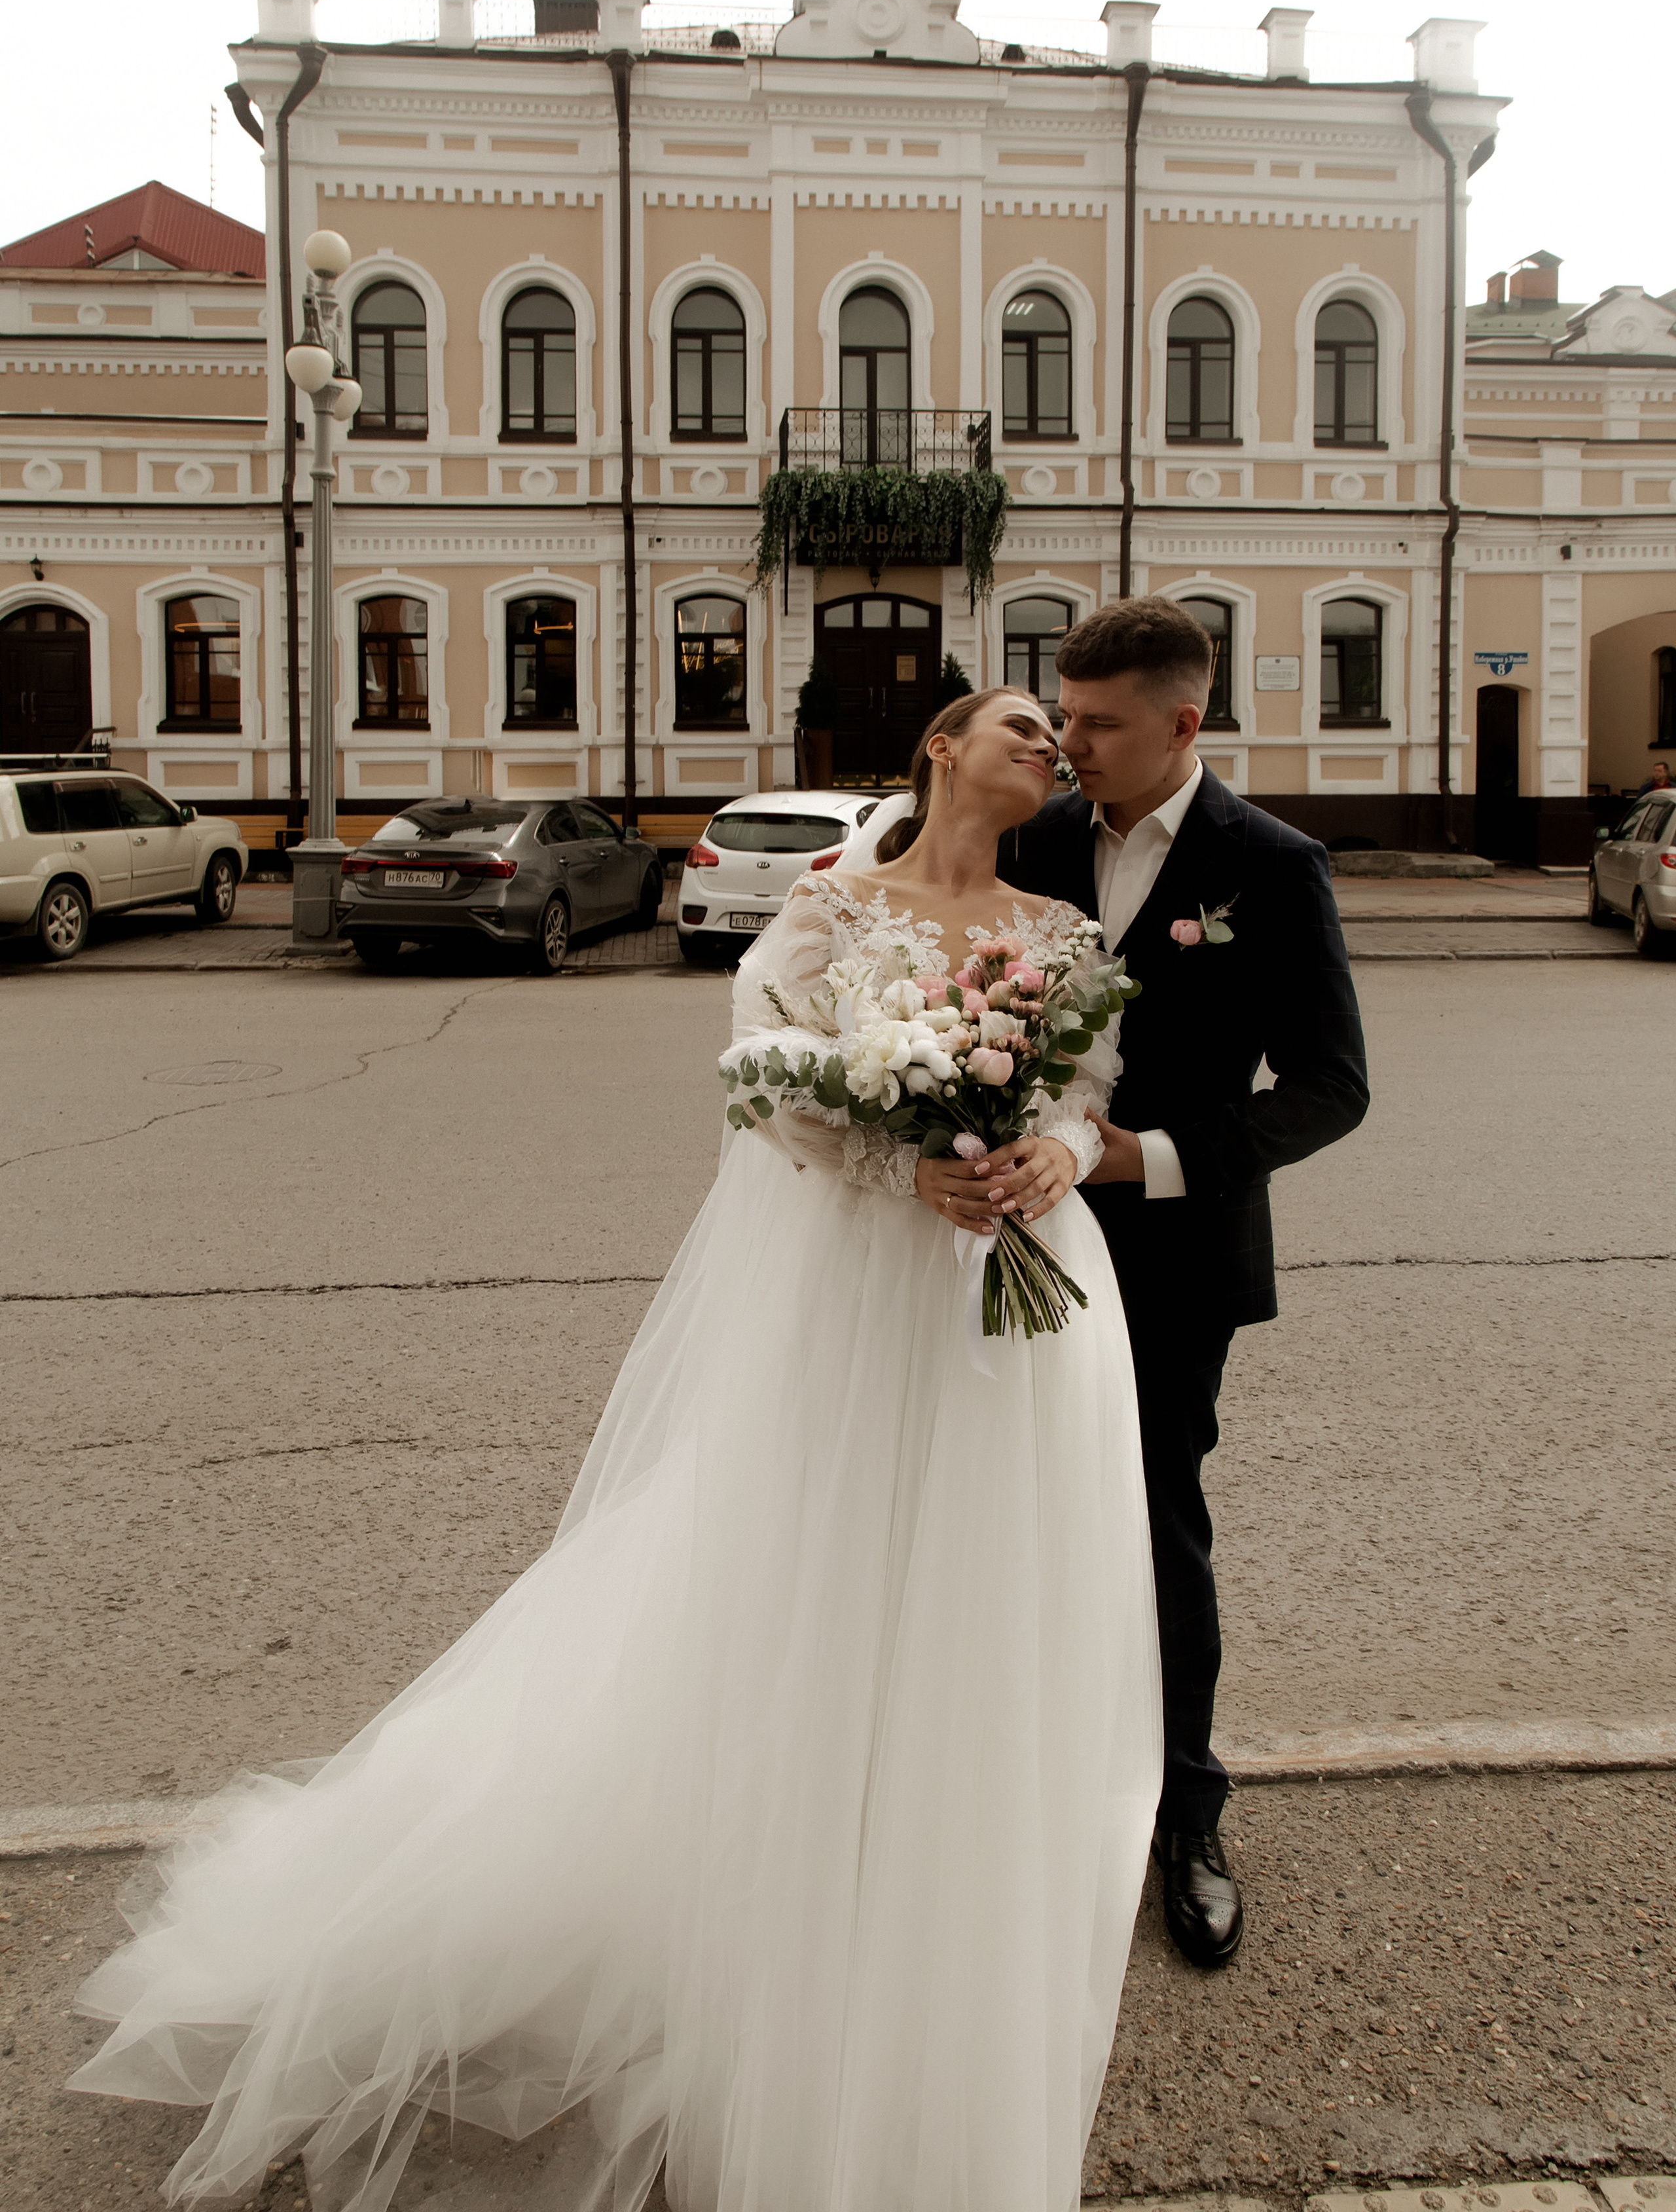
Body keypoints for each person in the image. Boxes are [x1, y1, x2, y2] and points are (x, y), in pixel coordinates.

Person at [69, 686, 1163, 2212]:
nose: (1045, 751)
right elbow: (759, 1074)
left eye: (1059, 740)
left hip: (1008, 1293)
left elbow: (1087, 1086)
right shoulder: (834, 904)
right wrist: (889, 1157)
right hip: (863, 1285)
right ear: (939, 747)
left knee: (980, 1587)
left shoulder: (1059, 928)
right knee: (807, 1573)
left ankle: (928, 1873)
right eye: (1019, 728)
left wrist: (1047, 1145)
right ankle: (779, 1881)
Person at [1000, 599, 1369, 1970]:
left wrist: (1139, 1159)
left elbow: (1330, 1091)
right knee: (1007, 1511)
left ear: (1182, 721)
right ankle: (1021, 1792)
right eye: (1060, 715)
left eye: (1095, 724)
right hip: (1006, 1245)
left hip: (1170, 1254)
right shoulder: (1031, 839)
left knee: (1155, 1523)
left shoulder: (1268, 867)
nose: (1065, 744)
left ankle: (1183, 1814)